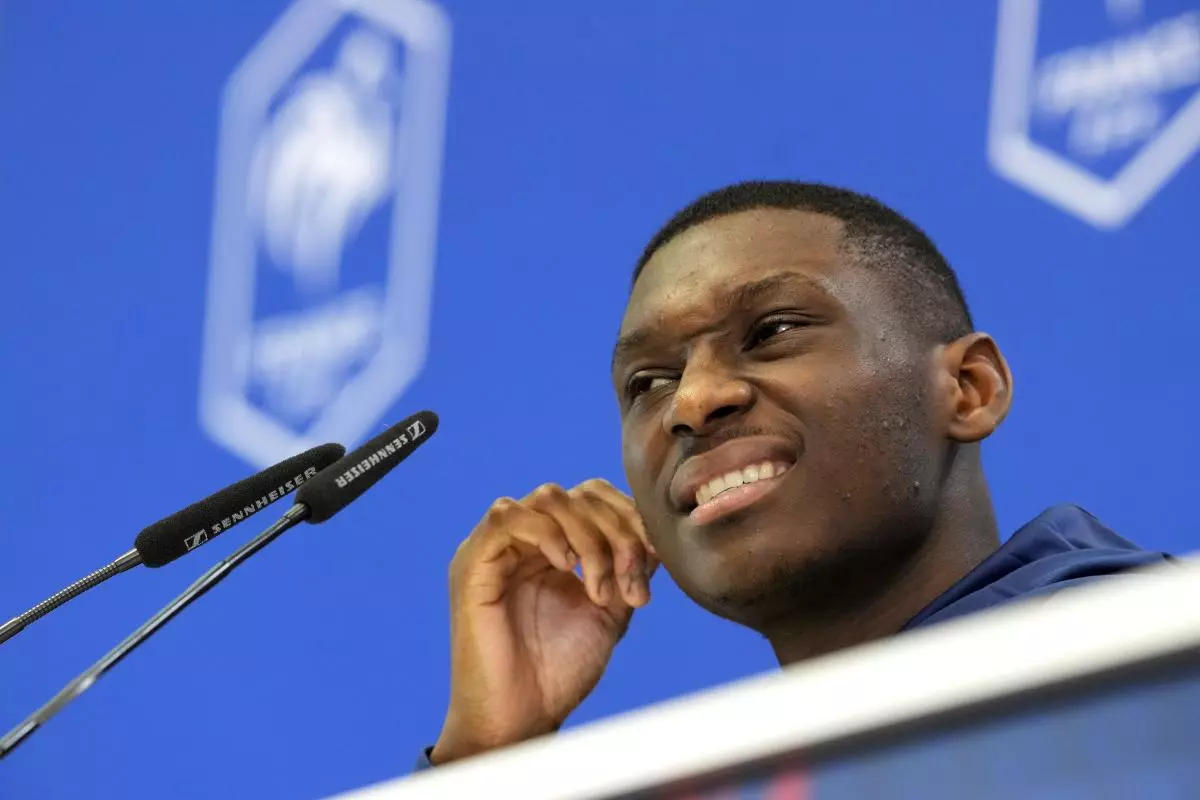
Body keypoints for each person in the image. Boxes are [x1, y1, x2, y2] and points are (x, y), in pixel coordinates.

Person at [418, 181, 1171, 768]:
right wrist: (488, 757)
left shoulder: (1157, 679)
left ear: (968, 389)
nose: (693, 401)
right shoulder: (777, 767)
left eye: (773, 332)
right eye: (648, 381)